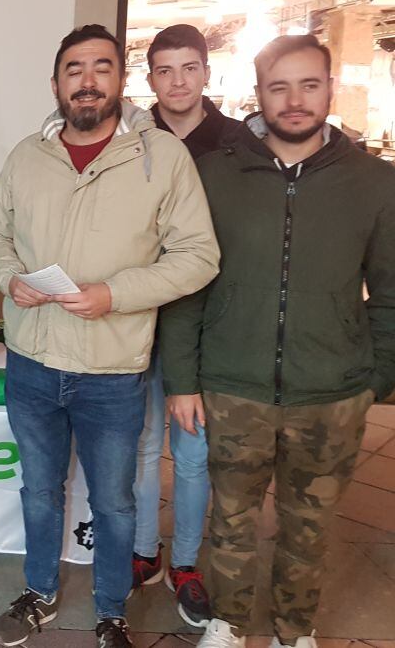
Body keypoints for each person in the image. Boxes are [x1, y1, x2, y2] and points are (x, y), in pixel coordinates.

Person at [0, 25, 220, 648]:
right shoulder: (25, 156)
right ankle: (39, 591)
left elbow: (198, 256)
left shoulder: (160, 157)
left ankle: (112, 610)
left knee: (114, 502)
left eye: (101, 67)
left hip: (112, 369)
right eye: (73, 69)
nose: (87, 80)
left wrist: (115, 294)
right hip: (32, 361)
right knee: (39, 490)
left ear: (120, 80)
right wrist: (9, 277)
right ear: (55, 83)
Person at [159, 33, 395, 648]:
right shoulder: (214, 175)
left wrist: (377, 379)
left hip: (332, 390)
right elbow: (188, 285)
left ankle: (296, 628)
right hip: (233, 385)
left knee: (308, 526)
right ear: (257, 93)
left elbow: (392, 293)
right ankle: (230, 621)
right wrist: (182, 379)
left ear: (330, 89)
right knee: (231, 520)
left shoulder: (375, 184)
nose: (294, 100)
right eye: (278, 86)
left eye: (308, 84)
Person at [131, 24, 241, 625]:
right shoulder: (132, 139)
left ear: (206, 73)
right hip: (142, 316)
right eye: (164, 70)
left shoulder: (237, 146)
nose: (177, 81)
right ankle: (145, 554)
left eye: (189, 68)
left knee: (194, 454)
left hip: (207, 324)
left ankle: (188, 564)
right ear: (150, 79)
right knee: (145, 447)